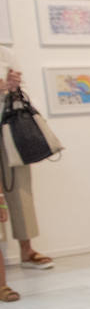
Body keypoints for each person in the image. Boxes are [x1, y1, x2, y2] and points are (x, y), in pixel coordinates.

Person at [0, 50, 54, 273]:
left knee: (21, 189)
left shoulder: (5, 53)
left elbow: (22, 89)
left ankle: (27, 249)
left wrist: (12, 87)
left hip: (9, 127)